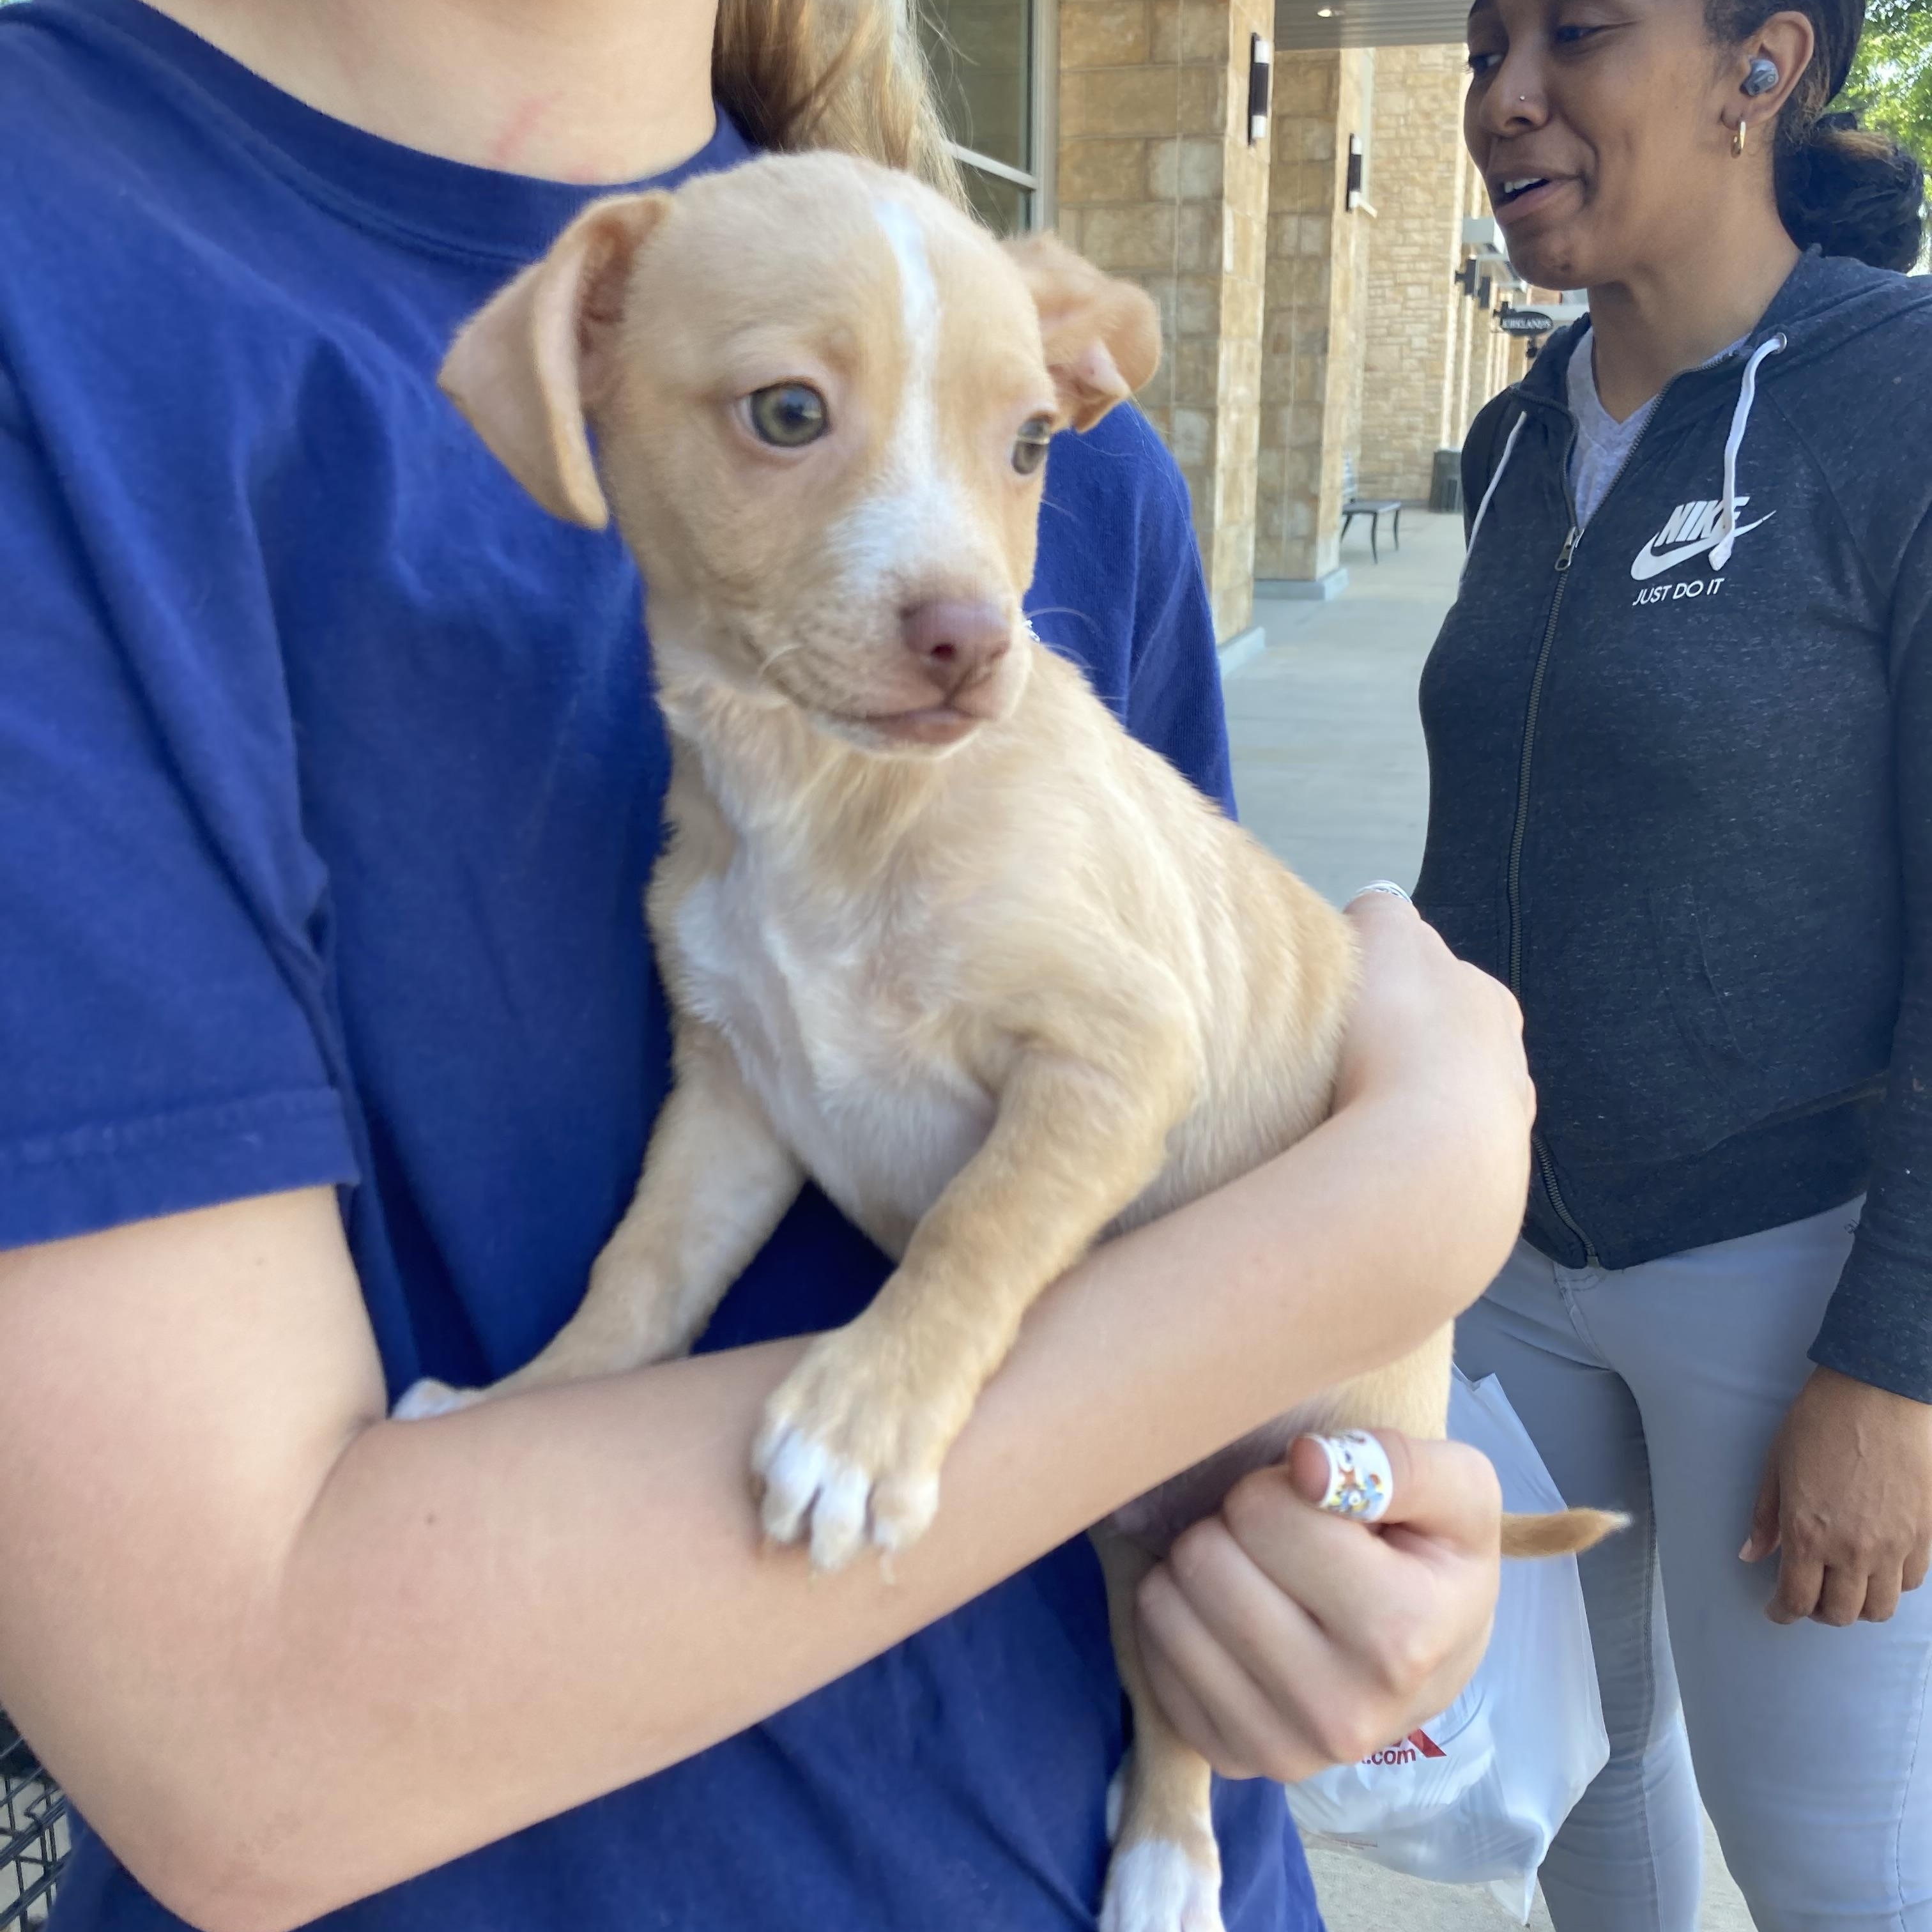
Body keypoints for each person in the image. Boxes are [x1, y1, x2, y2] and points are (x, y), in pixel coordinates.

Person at [0, 3, 1531, 1929]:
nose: (963, 575)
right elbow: (243, 1732)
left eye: (1017, 447)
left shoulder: (1058, 508)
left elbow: (1175, 1137)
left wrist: (1377, 1574)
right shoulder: (66, 282)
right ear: (583, 373)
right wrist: (1409, 1205)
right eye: (788, 420)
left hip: (1119, 1851)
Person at [1425, 0, 1932, 1923]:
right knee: (1571, 1811)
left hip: (1794, 1275)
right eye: (1483, 49)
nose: (1503, 99)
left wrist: (1897, 1371)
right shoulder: (1511, 438)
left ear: (1763, 65)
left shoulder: (1897, 404)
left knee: (1837, 1875)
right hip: (1514, 1263)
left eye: (1575, 32)